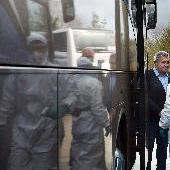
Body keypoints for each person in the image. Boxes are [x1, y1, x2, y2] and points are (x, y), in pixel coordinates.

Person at [0, 33, 58, 170]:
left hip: (46, 131)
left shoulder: (54, 71)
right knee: (15, 164)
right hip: (21, 130)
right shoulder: (18, 72)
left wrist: (60, 109)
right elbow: (7, 100)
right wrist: (1, 120)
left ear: (45, 49)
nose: (37, 52)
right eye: (33, 48)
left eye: (40, 48)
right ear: (27, 50)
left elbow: (69, 94)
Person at [70, 56, 110, 170]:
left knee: (78, 152)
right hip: (90, 125)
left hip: (76, 123)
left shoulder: (72, 81)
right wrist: (106, 124)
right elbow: (97, 108)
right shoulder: (94, 83)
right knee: (90, 155)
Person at [146, 51, 170, 170]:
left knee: (163, 146)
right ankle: (147, 166)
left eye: (167, 62)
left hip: (166, 121)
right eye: (163, 62)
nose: (166, 65)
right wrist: (158, 111)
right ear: (156, 63)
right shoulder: (147, 75)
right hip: (151, 119)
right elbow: (144, 96)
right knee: (149, 147)